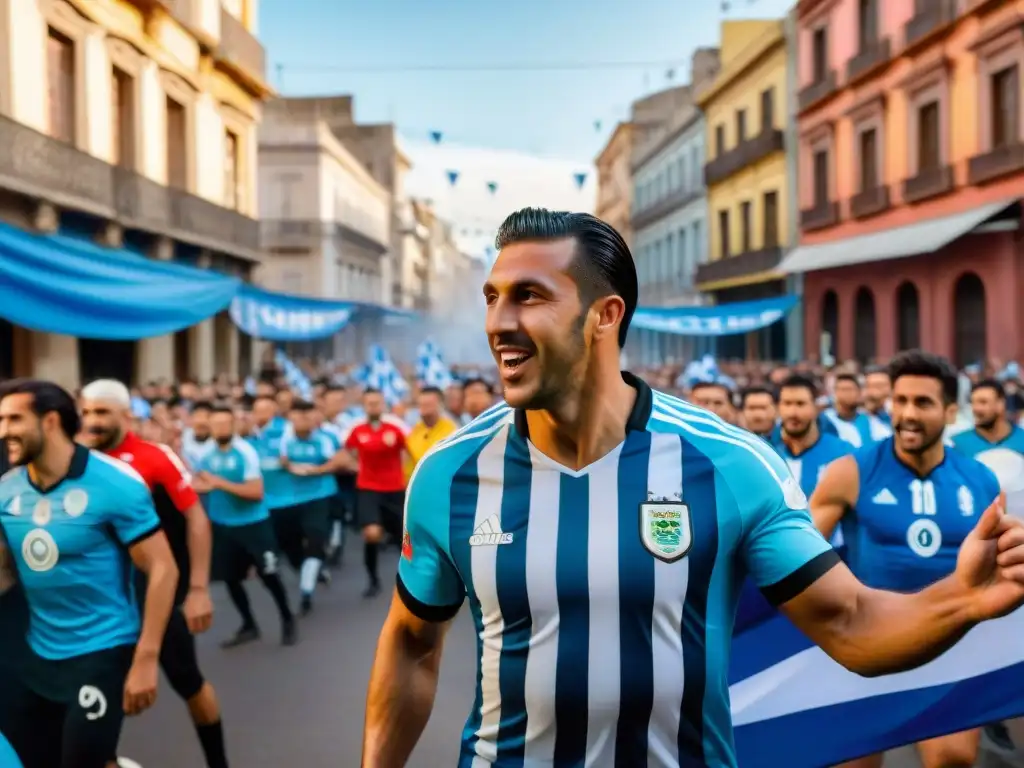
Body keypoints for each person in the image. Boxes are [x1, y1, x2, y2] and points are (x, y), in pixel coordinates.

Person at [361, 208, 1024, 768]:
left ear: (604, 315)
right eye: (492, 297)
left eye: (528, 296)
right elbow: (413, 641)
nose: (498, 322)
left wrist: (961, 599)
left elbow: (849, 623)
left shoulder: (730, 464)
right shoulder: (450, 474)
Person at [810, 351, 1005, 768]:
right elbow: (800, 557)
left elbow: (997, 564)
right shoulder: (851, 471)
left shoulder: (981, 480)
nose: (907, 414)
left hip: (950, 639)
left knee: (952, 760)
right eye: (900, 401)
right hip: (870, 641)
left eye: (923, 403)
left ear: (951, 412)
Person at [0, 379, 178, 768]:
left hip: (102, 648)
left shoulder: (114, 483)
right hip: (35, 652)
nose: (3, 431)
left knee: (81, 760)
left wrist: (146, 658)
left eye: (14, 419)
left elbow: (162, 566)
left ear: (49, 421)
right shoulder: (7, 489)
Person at [79, 379, 228, 768]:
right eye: (86, 412)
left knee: (189, 683)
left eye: (102, 412)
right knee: (94, 701)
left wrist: (198, 588)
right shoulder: (76, 461)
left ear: (127, 416)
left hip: (153, 595)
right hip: (97, 605)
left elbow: (196, 519)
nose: (92, 421)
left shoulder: (154, 456)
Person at [194, 406, 297, 647]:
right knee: (230, 578)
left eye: (225, 424)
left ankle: (287, 618)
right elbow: (201, 481)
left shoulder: (246, 452)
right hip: (222, 525)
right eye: (215, 424)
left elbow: (256, 492)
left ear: (233, 426)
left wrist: (219, 483)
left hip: (253, 525)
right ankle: (248, 624)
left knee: (269, 574)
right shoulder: (205, 453)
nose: (220, 428)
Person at [342, 388, 410, 599]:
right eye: (370, 403)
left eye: (377, 403)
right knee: (371, 534)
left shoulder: (396, 427)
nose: (374, 406)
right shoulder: (356, 429)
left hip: (395, 489)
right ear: (364, 406)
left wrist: (406, 476)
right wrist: (353, 465)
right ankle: (373, 580)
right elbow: (347, 451)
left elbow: (408, 451)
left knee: (405, 540)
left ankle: (411, 583)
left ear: (383, 404)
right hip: (368, 489)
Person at [771, 374, 852, 549]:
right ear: (778, 408)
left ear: (816, 408)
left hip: (834, 557)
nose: (793, 412)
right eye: (787, 404)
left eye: (800, 404)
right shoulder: (768, 454)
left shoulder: (843, 453)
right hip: (779, 559)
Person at [277, 399, 341, 614]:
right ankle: (312, 570)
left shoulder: (323, 439)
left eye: (307, 416)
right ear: (291, 418)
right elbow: (279, 461)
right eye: (298, 416)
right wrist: (286, 465)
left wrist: (316, 470)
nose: (303, 420)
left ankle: (306, 591)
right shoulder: (283, 439)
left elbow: (335, 462)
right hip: (290, 498)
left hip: (319, 495)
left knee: (315, 538)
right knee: (291, 546)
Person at [952, 378, 1024, 517]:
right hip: (974, 525)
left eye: (983, 402)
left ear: (1001, 404)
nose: (976, 409)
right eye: (973, 403)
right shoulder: (957, 444)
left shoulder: (1022, 440)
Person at [403, 386, 458, 480]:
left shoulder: (452, 431)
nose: (424, 408)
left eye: (428, 404)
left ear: (440, 405)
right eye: (421, 404)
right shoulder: (414, 431)